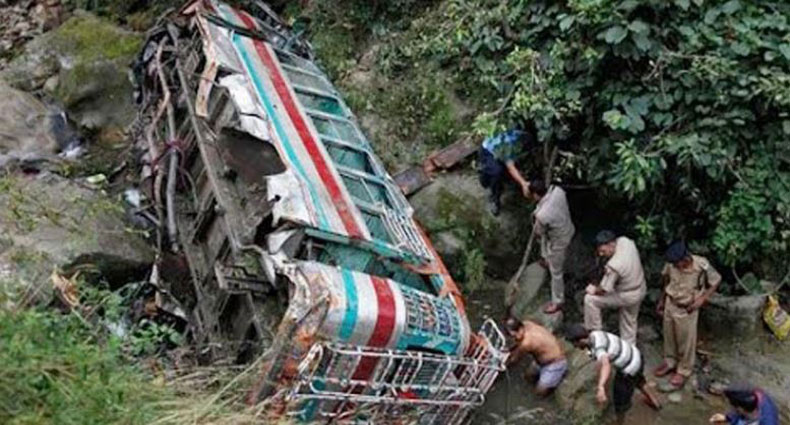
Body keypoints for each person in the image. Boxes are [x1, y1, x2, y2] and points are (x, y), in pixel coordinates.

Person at [653, 240, 722, 388]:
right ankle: (670, 361)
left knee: (686, 340)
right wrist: (662, 300)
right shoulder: (671, 264)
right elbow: (666, 280)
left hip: (687, 308)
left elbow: (716, 281)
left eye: (677, 263)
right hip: (671, 303)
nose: (675, 266)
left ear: (685, 259)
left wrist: (703, 299)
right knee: (669, 335)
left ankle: (683, 370)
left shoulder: (701, 265)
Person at [564, 324, 661, 424]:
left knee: (620, 399)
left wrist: (601, 387)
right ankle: (655, 402)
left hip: (629, 369)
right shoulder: (595, 334)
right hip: (636, 356)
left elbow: (606, 364)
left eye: (574, 343)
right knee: (639, 380)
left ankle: (619, 422)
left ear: (581, 340)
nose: (574, 346)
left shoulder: (598, 347)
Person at [584, 230, 647, 345]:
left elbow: (604, 290)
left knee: (590, 300)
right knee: (629, 321)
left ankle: (596, 336)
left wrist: (593, 289)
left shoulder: (614, 265)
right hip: (640, 287)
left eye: (603, 251)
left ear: (611, 244)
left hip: (626, 295)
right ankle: (630, 348)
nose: (601, 254)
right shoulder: (625, 241)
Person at [528, 179, 575, 314]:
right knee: (545, 239)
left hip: (559, 240)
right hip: (568, 227)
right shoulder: (558, 191)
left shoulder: (543, 215)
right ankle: (545, 258)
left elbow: (538, 232)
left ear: (535, 195)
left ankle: (558, 301)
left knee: (556, 272)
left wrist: (535, 216)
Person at [477, 128, 533, 215]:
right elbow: (511, 167)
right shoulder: (509, 145)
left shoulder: (520, 134)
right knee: (497, 172)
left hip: (498, 149)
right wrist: (523, 183)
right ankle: (494, 199)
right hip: (488, 151)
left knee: (505, 169)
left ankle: (488, 175)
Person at [505, 318, 567, 396]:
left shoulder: (526, 343)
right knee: (528, 376)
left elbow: (514, 359)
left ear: (520, 328)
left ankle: (553, 380)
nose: (515, 338)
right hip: (542, 360)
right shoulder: (527, 324)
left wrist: (505, 364)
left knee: (539, 393)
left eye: (515, 336)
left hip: (555, 363)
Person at [709, 384, 779, 425]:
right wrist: (727, 418)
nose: (733, 409)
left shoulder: (768, 421)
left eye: (735, 409)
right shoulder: (752, 398)